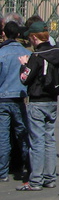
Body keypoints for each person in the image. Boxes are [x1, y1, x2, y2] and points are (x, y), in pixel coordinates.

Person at [17, 20, 59, 191]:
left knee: (37, 141)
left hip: (37, 101)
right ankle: (50, 177)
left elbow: (25, 79)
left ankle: (36, 179)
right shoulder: (58, 52)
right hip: (53, 99)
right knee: (50, 139)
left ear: (34, 37)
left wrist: (24, 64)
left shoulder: (37, 56)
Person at [0, 20, 29, 182]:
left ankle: (2, 172)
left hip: (2, 97)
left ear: (4, 33)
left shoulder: (1, 53)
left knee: (3, 136)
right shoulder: (25, 53)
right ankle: (28, 166)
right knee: (22, 133)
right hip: (19, 96)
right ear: (18, 34)